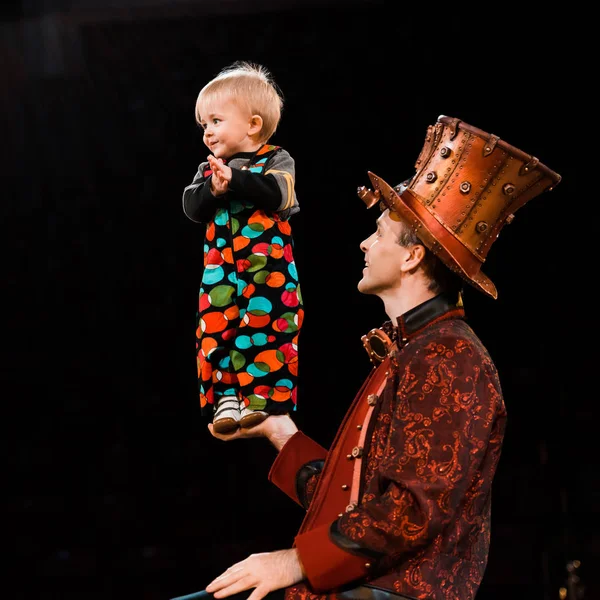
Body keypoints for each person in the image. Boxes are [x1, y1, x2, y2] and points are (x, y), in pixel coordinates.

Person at [202, 115, 562, 600]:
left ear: (412, 257)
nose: (364, 242)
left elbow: (410, 512)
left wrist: (293, 562)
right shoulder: (416, 350)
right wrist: (279, 431)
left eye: (378, 232)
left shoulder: (449, 356)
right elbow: (360, 505)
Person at [182, 61, 303, 434]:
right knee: (216, 329)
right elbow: (191, 206)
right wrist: (213, 188)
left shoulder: (276, 160)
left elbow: (277, 193)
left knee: (269, 328)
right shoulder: (209, 171)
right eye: (204, 125)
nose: (208, 132)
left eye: (216, 121)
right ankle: (227, 396)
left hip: (269, 272)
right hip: (221, 272)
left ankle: (262, 397)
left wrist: (233, 179)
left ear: (252, 125)